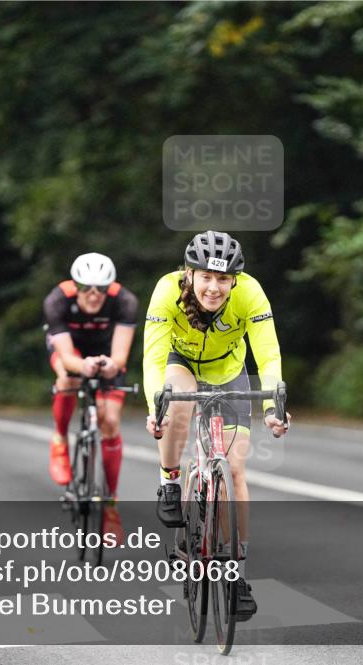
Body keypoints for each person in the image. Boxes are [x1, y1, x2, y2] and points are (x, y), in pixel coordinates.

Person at [143, 230, 291, 620]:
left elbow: (269, 355)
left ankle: (235, 573)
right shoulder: (166, 292)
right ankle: (170, 479)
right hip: (181, 363)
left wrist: (276, 404)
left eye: (222, 279)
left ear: (234, 280)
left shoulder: (250, 293)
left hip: (230, 372)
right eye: (205, 277)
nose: (213, 287)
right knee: (175, 404)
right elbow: (153, 359)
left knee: (236, 469)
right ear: (189, 274)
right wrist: (154, 407)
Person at [44, 252, 139, 541]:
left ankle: (110, 503)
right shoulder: (57, 300)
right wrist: (82, 366)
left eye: (101, 288)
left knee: (109, 422)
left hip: (106, 354)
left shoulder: (125, 301)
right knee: (68, 378)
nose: (94, 294)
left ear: (111, 286)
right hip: (71, 352)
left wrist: (111, 365)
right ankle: (60, 439)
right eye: (86, 288)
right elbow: (64, 354)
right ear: (76, 286)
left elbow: (120, 356)